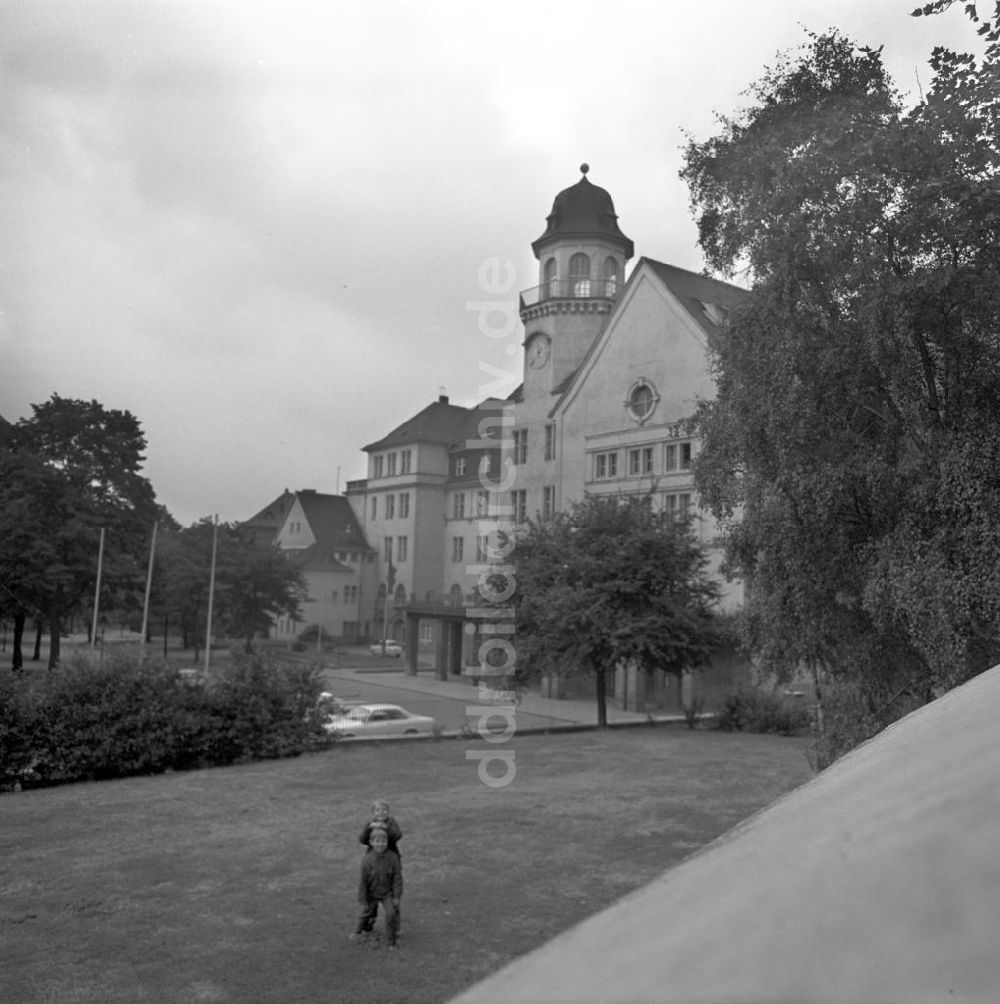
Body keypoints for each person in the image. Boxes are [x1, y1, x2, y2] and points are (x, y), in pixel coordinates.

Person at [351, 828, 402, 949]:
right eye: (377, 841)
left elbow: (397, 879)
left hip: (387, 893)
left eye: (383, 841)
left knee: (390, 914)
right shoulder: (366, 859)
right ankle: (359, 931)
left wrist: (396, 896)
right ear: (371, 842)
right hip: (371, 893)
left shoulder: (393, 858)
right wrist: (363, 898)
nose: (380, 844)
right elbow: (363, 881)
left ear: (387, 842)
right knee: (366, 913)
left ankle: (391, 942)